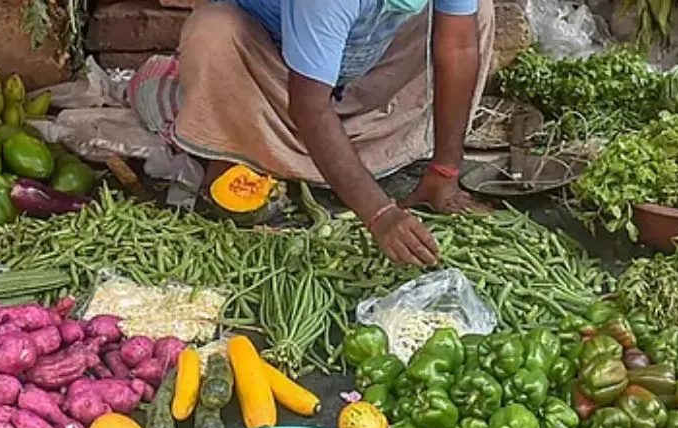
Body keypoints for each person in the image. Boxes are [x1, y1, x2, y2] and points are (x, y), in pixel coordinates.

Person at [173, 0, 495, 267]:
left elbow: (458, 47)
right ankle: (248, 151)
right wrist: (379, 213)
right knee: (212, 34)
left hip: (362, 66)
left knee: (473, 13)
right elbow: (309, 105)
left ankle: (348, 147)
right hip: (274, 75)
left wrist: (445, 170)